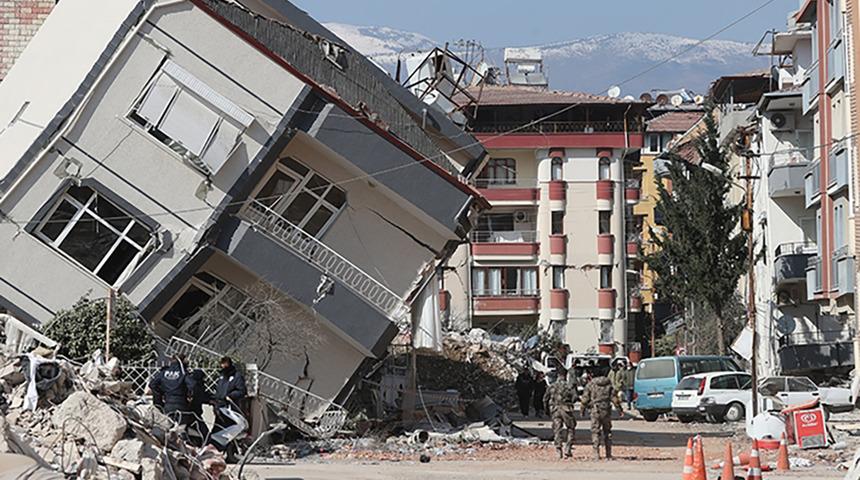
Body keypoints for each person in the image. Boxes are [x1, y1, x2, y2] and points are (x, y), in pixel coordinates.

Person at [580, 374, 621, 460]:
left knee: (595, 431)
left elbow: (585, 399)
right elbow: (614, 398)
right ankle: (608, 453)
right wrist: (619, 409)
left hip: (595, 411)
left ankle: (596, 453)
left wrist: (582, 410)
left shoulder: (591, 385)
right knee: (607, 432)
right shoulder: (609, 385)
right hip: (606, 410)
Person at [543, 367, 578, 459]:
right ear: (566, 376)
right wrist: (570, 401)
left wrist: (547, 411)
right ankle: (568, 448)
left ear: (557, 376)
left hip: (555, 410)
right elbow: (575, 397)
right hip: (566, 409)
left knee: (557, 429)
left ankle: (558, 449)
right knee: (571, 428)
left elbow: (545, 399)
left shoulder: (552, 386)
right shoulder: (569, 386)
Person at [149, 354, 192, 426]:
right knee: (181, 428)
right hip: (181, 404)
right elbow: (192, 385)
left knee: (167, 427)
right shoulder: (183, 373)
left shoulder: (164, 372)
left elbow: (152, 384)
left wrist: (160, 395)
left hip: (168, 403)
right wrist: (190, 394)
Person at [211, 356, 248, 442]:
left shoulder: (237, 376)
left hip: (230, 408)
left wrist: (230, 395)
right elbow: (218, 390)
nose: (223, 366)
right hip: (219, 407)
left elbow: (242, 391)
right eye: (222, 365)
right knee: (217, 429)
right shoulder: (222, 376)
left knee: (229, 430)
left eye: (225, 364)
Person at [186, 368, 210, 446]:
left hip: (191, 414)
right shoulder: (196, 386)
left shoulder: (190, 385)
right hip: (194, 414)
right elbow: (201, 397)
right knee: (205, 434)